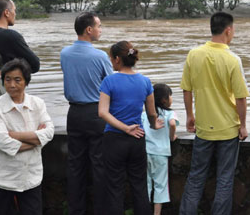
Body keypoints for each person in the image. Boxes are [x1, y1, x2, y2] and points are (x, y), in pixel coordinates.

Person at [179, 12, 249, 215]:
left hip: (203, 128)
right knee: (224, 179)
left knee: (196, 177)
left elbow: (186, 89)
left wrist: (189, 115)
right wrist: (243, 125)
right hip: (228, 129)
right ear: (228, 30)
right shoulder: (232, 59)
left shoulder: (194, 54)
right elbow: (241, 98)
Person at [0, 59, 54, 215]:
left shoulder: (37, 103)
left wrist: (15, 135)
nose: (12, 84)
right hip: (0, 179)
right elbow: (2, 142)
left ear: (26, 81)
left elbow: (49, 132)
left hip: (30, 177)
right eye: (8, 79)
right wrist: (36, 141)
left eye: (17, 80)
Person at [98, 41, 162, 215]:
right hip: (137, 139)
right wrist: (153, 125)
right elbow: (151, 113)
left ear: (118, 59)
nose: (111, 61)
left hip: (114, 140)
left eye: (111, 58)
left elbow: (103, 112)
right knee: (139, 186)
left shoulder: (109, 81)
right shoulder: (145, 81)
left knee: (114, 188)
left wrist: (125, 128)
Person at [60, 12, 113, 215]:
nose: (101, 30)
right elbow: (111, 86)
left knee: (75, 165)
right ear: (89, 30)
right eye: (99, 26)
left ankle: (76, 210)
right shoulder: (100, 56)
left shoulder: (65, 53)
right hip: (96, 113)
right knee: (99, 165)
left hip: (74, 113)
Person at [0, 0, 40, 77]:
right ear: (6, 12)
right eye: (14, 10)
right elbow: (35, 65)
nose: (15, 14)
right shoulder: (11, 36)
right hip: (6, 87)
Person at [142, 83, 179, 215]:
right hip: (161, 154)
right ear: (164, 100)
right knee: (160, 185)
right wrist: (172, 135)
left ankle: (144, 210)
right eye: (170, 96)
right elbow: (172, 123)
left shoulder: (146, 114)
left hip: (146, 152)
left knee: (146, 184)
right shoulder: (170, 113)